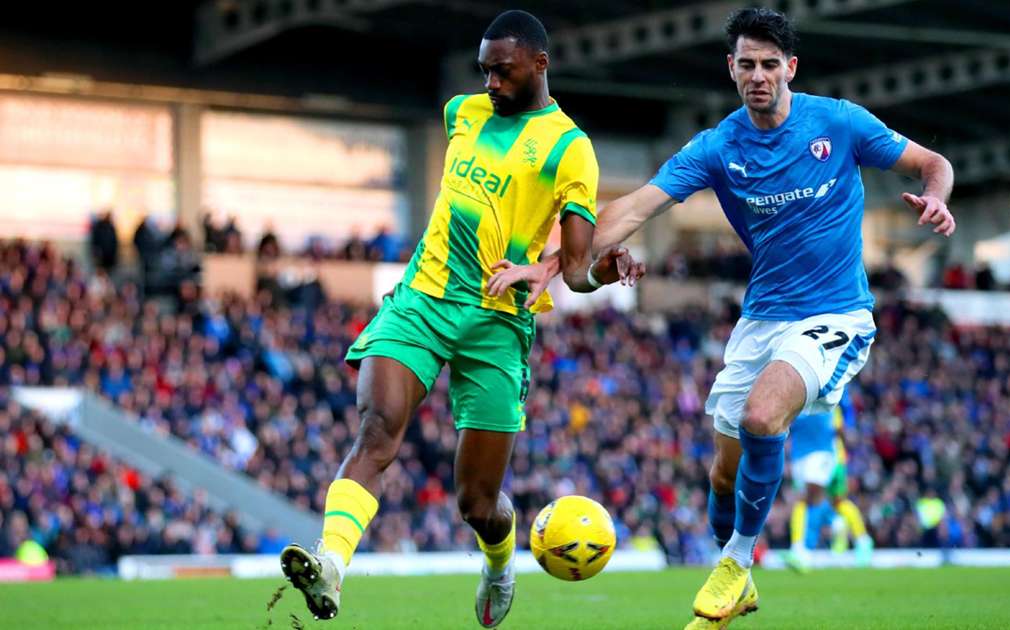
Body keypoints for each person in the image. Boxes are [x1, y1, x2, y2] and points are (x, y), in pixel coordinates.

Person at [487, 7, 954, 628]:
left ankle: (737, 562)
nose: (758, 75)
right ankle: (736, 558)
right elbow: (634, 209)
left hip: (835, 313)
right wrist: (552, 263)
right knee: (722, 482)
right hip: (760, 321)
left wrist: (938, 200)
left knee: (763, 417)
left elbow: (933, 163)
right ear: (730, 70)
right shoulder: (718, 146)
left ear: (790, 68)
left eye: (769, 64)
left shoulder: (839, 123)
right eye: (746, 64)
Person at [278, 10, 640, 627]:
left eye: (502, 72)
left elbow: (577, 270)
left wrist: (604, 269)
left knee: (476, 503)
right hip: (422, 298)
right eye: (484, 72)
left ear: (539, 65)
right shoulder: (460, 114)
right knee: (376, 429)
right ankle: (331, 566)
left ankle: (499, 558)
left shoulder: (570, 149)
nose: (490, 84)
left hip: (498, 325)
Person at [785, 395, 873, 572]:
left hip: (831, 458)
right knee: (834, 502)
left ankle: (801, 550)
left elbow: (840, 429)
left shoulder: (830, 399)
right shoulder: (798, 397)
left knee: (808, 500)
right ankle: (861, 540)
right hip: (808, 456)